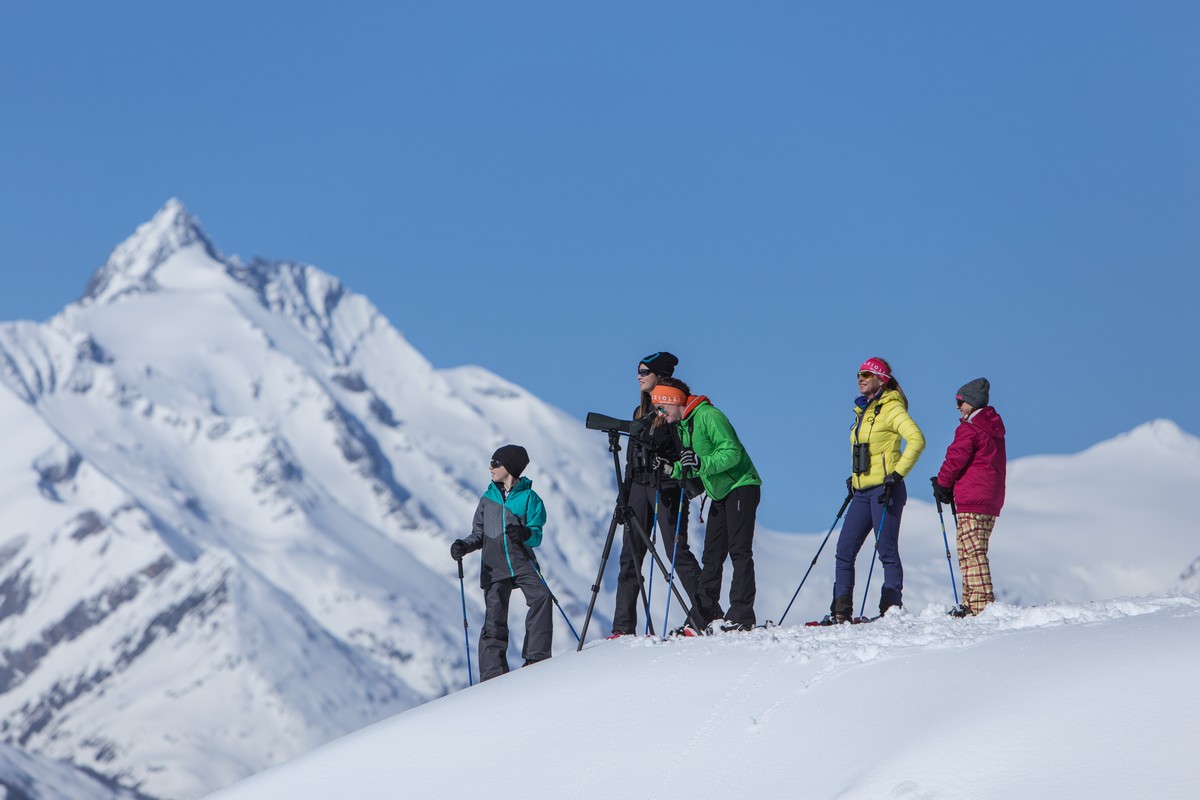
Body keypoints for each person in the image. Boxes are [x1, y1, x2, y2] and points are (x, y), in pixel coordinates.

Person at [652, 377, 762, 633]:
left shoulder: (709, 416)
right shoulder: (683, 426)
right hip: (720, 493)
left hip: (741, 485)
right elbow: (694, 463)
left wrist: (701, 464)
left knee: (739, 550)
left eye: (661, 407)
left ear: (673, 400)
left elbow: (732, 452)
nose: (659, 413)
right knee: (711, 557)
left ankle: (741, 615)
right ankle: (701, 618)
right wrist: (673, 468)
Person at [822, 357, 925, 624]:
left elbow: (917, 439)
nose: (860, 378)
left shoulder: (892, 408)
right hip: (861, 491)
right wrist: (855, 477)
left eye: (867, 374)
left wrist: (897, 474)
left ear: (882, 379)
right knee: (844, 550)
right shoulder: (864, 411)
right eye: (859, 374)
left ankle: (891, 610)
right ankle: (840, 613)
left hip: (886, 491)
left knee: (886, 550)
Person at [609, 352, 702, 637]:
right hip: (638, 487)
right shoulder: (639, 414)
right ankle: (623, 628)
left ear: (659, 376)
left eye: (644, 371)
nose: (638, 376)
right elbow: (630, 458)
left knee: (676, 552)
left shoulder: (673, 410)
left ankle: (705, 613)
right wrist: (623, 496)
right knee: (630, 556)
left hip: (667, 486)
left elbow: (686, 449)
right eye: (638, 371)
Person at [451, 444, 551, 680]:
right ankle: (492, 674)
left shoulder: (531, 498)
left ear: (510, 467)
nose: (491, 467)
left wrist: (525, 533)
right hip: (494, 567)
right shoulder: (487, 500)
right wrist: (464, 546)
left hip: (521, 561)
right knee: (494, 618)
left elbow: (536, 534)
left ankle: (536, 657)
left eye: (495, 463)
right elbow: (478, 535)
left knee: (542, 597)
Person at [932, 378, 1006, 617]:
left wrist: (943, 483)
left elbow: (956, 457)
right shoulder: (992, 429)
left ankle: (982, 606)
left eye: (960, 402)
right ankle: (971, 603)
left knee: (970, 552)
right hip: (990, 498)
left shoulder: (970, 428)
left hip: (972, 498)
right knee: (973, 548)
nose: (957, 407)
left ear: (971, 403)